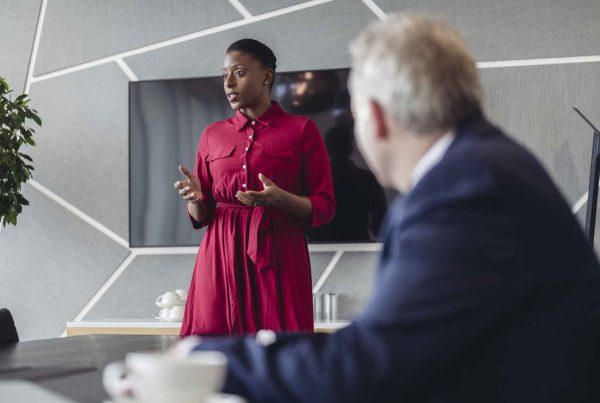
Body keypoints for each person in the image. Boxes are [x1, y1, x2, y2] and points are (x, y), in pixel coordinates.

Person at [175, 15, 600, 402]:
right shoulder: (484, 166)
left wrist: (202, 357)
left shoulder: (460, 196)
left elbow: (372, 363)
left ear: (374, 117)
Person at [174, 39, 336, 336]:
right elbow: (202, 215)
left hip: (279, 254)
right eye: (225, 75)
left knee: (282, 348)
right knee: (212, 347)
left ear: (267, 76)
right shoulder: (212, 135)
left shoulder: (301, 130)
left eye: (238, 72)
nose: (228, 83)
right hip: (220, 255)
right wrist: (195, 199)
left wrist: (281, 199)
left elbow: (325, 207)